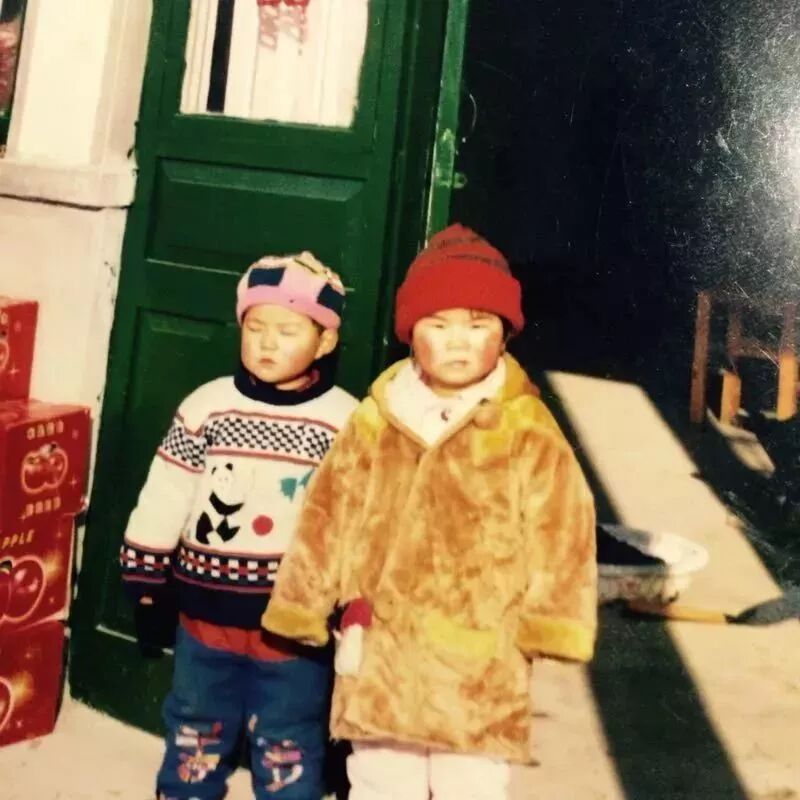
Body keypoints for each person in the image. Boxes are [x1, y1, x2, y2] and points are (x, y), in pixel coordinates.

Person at [262, 224, 598, 800]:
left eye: (478, 324)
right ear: (410, 333)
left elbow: (562, 524)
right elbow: (327, 513)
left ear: (505, 334)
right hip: (382, 646)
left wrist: (553, 617)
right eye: (438, 325)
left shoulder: (524, 426)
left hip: (479, 650)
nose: (457, 342)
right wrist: (302, 601)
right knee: (378, 773)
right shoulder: (378, 416)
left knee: (471, 778)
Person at [120, 252, 358, 800]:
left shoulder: (344, 421)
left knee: (288, 731)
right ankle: (186, 791)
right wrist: (144, 566)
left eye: (287, 331)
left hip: (294, 619)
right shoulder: (208, 407)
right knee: (196, 718)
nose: (267, 343)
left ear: (325, 341)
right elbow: (167, 490)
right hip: (206, 612)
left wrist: (351, 596)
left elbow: (355, 516)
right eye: (255, 328)